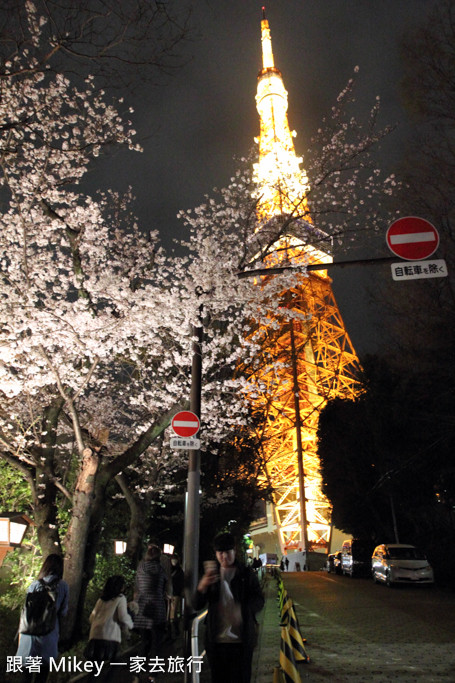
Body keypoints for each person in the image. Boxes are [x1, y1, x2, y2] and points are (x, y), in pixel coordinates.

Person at [194, 532, 264, 683]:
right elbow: (196, 604)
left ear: (235, 551)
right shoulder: (211, 575)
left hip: (242, 640)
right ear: (216, 553)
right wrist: (202, 586)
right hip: (217, 641)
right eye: (220, 553)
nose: (224, 557)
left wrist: (243, 610)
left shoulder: (246, 574)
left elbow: (259, 600)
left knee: (241, 678)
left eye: (227, 552)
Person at [16, 553, 69, 683]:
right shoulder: (62, 586)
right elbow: (63, 612)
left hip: (29, 635)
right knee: (42, 675)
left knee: (26, 675)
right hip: (48, 634)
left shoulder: (34, 585)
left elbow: (25, 611)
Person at [86, 575, 133, 666]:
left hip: (95, 636)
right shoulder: (120, 598)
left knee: (95, 670)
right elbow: (123, 617)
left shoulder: (101, 600)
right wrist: (130, 625)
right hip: (110, 636)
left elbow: (91, 618)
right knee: (115, 665)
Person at [133, 544, 168, 660]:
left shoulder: (141, 567)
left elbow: (137, 587)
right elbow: (164, 588)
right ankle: (153, 675)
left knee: (144, 642)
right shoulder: (160, 569)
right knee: (156, 643)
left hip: (143, 607)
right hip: (158, 607)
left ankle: (136, 674)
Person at [169, 553, 184, 639]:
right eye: (172, 559)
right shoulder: (169, 570)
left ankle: (175, 630)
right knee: (170, 613)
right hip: (169, 593)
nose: (173, 561)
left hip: (176, 593)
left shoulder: (180, 571)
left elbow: (181, 582)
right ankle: (172, 630)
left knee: (173, 613)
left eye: (175, 560)